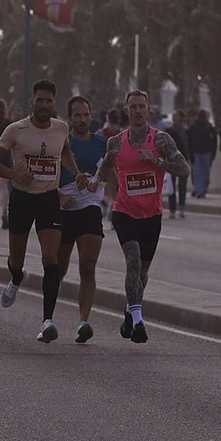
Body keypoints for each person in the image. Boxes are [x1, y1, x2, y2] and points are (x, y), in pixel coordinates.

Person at [91, 89, 191, 345]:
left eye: (141, 106)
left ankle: (129, 312)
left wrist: (158, 161)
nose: (137, 110)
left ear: (148, 110)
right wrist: (95, 181)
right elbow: (105, 167)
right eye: (133, 106)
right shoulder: (116, 142)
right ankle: (138, 321)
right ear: (126, 110)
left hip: (152, 215)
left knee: (142, 273)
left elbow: (184, 169)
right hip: (124, 211)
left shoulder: (161, 140)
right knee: (133, 262)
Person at [0, 80, 82, 342]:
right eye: (40, 100)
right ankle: (17, 277)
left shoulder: (61, 128)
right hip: (22, 199)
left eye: (48, 101)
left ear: (54, 103)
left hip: (49, 199)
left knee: (51, 257)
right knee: (16, 260)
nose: (44, 105)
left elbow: (65, 152)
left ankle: (47, 321)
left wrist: (76, 173)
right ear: (32, 102)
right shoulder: (16, 130)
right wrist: (14, 174)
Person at [55, 95, 108, 344]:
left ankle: (83, 322)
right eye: (77, 115)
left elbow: (111, 172)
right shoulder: (60, 143)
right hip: (63, 210)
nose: (83, 119)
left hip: (90, 207)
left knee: (87, 266)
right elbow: (44, 176)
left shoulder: (102, 144)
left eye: (86, 114)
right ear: (69, 118)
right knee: (59, 268)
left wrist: (101, 183)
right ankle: (48, 315)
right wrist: (59, 197)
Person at [166, 110, 190, 219]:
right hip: (171, 161)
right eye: (173, 116)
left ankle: (181, 207)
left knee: (182, 185)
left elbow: (189, 146)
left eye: (176, 116)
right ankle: (172, 209)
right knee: (171, 185)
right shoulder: (168, 131)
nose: (174, 118)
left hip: (183, 160)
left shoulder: (186, 131)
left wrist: (190, 160)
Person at [188, 109, 216, 198]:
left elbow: (190, 141)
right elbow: (213, 142)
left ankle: (199, 189)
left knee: (198, 172)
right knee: (204, 172)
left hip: (197, 152)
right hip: (206, 152)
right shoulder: (209, 127)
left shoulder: (194, 127)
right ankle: (201, 189)